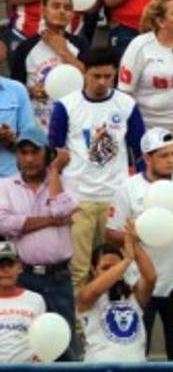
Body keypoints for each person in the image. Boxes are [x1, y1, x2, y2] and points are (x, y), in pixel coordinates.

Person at [47, 47, 145, 289]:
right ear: (84, 73)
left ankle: (118, 311)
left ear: (115, 74)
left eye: (107, 76)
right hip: (79, 198)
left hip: (116, 197)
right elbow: (55, 153)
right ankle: (79, 313)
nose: (102, 82)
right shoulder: (66, 106)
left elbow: (140, 151)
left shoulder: (126, 104)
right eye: (96, 76)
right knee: (78, 269)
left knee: (119, 267)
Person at [104, 128, 173, 358]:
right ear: (147, 158)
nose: (171, 160)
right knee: (136, 351)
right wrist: (138, 236)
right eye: (164, 155)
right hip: (139, 284)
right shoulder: (127, 189)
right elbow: (110, 233)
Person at [0, 129, 75, 360]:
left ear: (48, 155)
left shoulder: (66, 182)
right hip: (24, 277)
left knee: (64, 349)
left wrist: (55, 171)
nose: (29, 159)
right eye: (23, 153)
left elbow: (62, 209)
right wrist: (50, 221)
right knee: (23, 348)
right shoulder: (5, 186)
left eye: (35, 152)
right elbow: (4, 224)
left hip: (58, 277)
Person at [117, 0, 173, 166]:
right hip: (150, 125)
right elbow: (125, 91)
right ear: (161, 21)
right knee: (159, 175)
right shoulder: (139, 46)